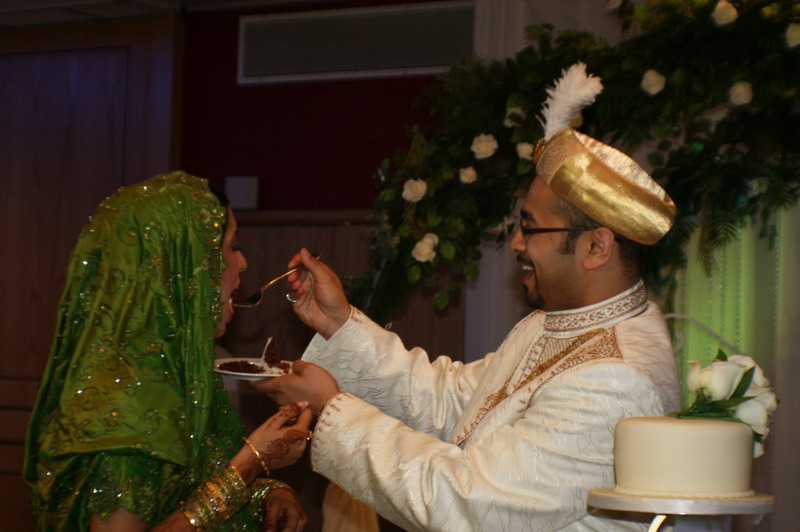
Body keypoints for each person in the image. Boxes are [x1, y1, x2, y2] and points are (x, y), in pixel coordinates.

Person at [254, 64, 682, 531]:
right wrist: (339, 324)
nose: (516, 244)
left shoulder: (615, 378)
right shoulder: (559, 321)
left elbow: (471, 505)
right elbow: (454, 404)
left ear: (596, 247)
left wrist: (332, 409)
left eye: (530, 228)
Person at [24, 171, 313, 532]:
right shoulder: (128, 409)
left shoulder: (179, 372)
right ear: (183, 265)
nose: (242, 263)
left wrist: (268, 493)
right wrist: (251, 463)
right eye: (231, 245)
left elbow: (195, 485)